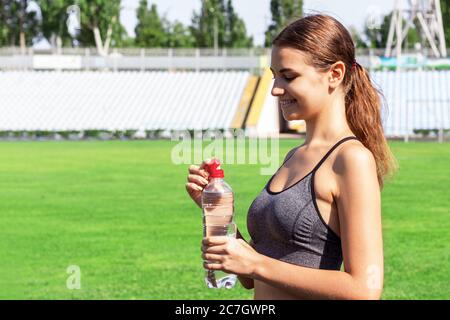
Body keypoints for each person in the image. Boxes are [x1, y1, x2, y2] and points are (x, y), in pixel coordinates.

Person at [186, 14, 397, 300]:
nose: (275, 89)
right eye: (274, 76)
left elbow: (364, 289)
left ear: (335, 74)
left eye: (289, 76)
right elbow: (253, 278)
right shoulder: (294, 156)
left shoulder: (351, 159)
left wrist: (255, 264)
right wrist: (217, 211)